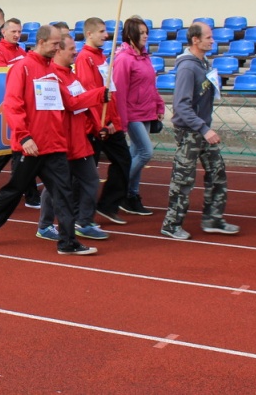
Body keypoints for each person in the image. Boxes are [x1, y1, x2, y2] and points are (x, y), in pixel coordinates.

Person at [0, 25, 103, 255]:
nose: (58, 48)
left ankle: (67, 242)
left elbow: (71, 103)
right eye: (55, 44)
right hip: (30, 147)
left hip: (54, 145)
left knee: (63, 193)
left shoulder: (52, 71)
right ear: (42, 42)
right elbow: (12, 105)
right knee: (14, 191)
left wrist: (99, 95)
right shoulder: (22, 67)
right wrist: (24, 137)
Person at [161, 23, 239, 240]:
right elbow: (181, 106)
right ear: (195, 40)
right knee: (183, 179)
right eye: (208, 37)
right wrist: (204, 129)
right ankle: (171, 224)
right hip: (189, 133)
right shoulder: (187, 68)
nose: (212, 40)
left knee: (217, 173)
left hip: (203, 130)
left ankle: (213, 218)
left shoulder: (203, 63)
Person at [35, 30, 109, 241]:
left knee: (90, 180)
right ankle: (45, 225)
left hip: (79, 139)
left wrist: (98, 126)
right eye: (71, 49)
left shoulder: (72, 74)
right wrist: (97, 94)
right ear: (58, 51)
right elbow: (72, 103)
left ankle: (83, 222)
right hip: (62, 140)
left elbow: (83, 104)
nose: (75, 53)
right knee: (56, 185)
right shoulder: (52, 77)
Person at [0, 17, 42, 209]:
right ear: (4, 32)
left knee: (17, 155)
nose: (17, 35)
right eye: (13, 31)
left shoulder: (21, 51)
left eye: (19, 31)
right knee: (5, 155)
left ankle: (30, 195)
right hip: (5, 107)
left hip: (22, 106)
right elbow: (2, 76)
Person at [75, 17, 132, 225]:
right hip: (95, 126)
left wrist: (114, 121)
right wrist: (101, 123)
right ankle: (80, 215)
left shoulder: (102, 58)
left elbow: (111, 93)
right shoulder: (85, 59)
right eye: (101, 31)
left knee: (124, 160)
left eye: (106, 31)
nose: (106, 35)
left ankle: (108, 204)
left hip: (109, 124)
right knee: (88, 172)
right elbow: (92, 94)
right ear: (89, 34)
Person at [112, 16, 164, 216]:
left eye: (146, 32)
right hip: (133, 113)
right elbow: (120, 92)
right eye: (141, 33)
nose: (145, 36)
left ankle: (130, 195)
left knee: (136, 154)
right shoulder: (124, 59)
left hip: (146, 112)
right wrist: (122, 121)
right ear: (131, 34)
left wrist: (159, 105)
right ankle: (117, 187)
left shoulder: (144, 57)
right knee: (145, 152)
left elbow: (151, 85)